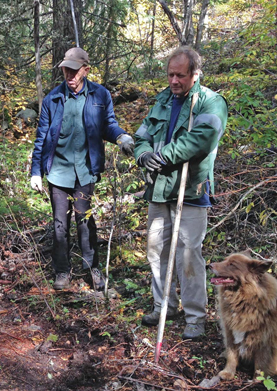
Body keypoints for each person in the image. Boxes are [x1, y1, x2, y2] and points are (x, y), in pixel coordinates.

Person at [133, 46, 228, 339]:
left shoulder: (211, 102)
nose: (174, 81)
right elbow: (142, 134)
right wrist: (144, 153)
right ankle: (164, 305)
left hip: (191, 190)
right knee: (156, 250)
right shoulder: (163, 100)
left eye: (181, 76)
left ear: (195, 74)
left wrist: (164, 156)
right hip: (159, 190)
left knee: (189, 255)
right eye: (171, 74)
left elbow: (203, 138)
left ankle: (196, 317)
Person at [30, 47, 134, 291]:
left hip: (86, 170)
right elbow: (41, 137)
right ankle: (62, 272)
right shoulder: (52, 99)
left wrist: (122, 138)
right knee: (59, 225)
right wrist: (36, 171)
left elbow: (108, 125)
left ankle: (92, 269)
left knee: (84, 221)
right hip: (58, 171)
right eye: (67, 69)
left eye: (75, 70)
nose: (70, 75)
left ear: (86, 70)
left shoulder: (100, 95)